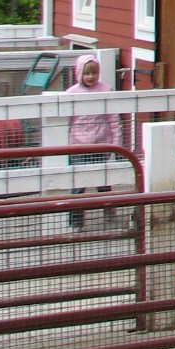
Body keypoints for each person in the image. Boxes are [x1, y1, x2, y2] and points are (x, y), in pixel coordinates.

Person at [65, 54, 123, 228]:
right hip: (79, 146)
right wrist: (66, 144)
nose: (91, 77)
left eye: (94, 73)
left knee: (103, 182)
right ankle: (76, 221)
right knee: (78, 184)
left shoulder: (106, 90)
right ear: (79, 73)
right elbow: (67, 121)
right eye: (87, 73)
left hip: (101, 144)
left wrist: (116, 142)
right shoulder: (71, 94)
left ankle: (109, 211)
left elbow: (113, 118)